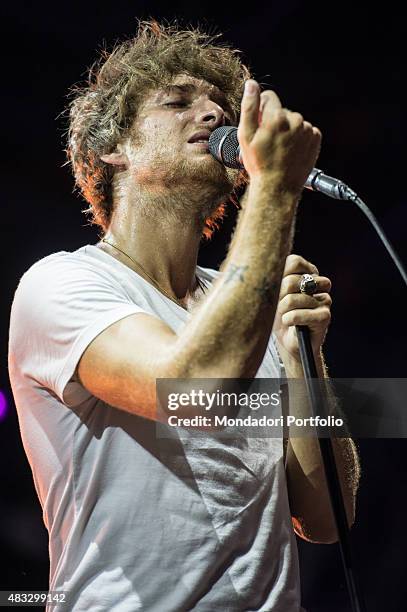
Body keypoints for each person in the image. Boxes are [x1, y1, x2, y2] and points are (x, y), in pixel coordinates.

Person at [8, 20, 360, 612]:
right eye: (177, 102)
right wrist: (276, 188)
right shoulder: (61, 284)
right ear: (111, 149)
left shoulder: (244, 306)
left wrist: (305, 356)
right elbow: (197, 389)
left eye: (221, 107)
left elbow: (327, 519)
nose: (212, 116)